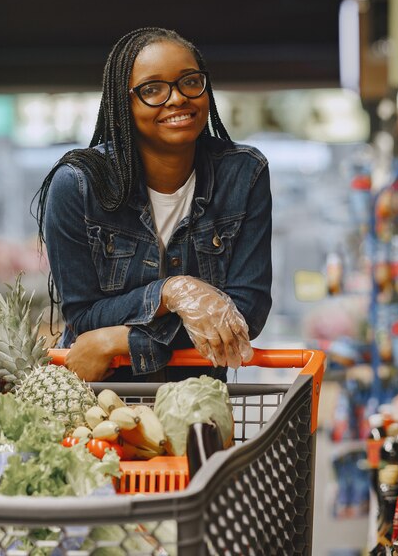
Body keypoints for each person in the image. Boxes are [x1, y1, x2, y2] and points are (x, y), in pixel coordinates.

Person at [36, 27, 272, 382]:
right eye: (152, 90)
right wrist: (171, 292)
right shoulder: (79, 185)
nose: (177, 99)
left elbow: (244, 315)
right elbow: (84, 318)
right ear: (123, 103)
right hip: (102, 403)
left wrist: (117, 339)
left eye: (190, 82)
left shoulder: (243, 174)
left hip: (196, 404)